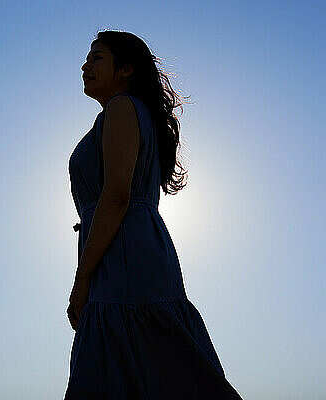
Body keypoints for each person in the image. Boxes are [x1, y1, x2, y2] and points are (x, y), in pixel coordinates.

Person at [65, 30, 243, 399]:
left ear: (126, 68)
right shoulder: (126, 113)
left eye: (97, 57)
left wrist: (81, 282)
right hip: (130, 252)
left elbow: (116, 197)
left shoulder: (122, 107)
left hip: (125, 258)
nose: (86, 65)